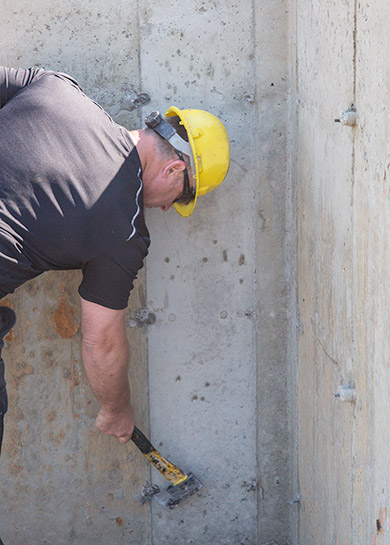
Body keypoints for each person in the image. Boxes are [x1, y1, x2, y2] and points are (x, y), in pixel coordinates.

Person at [0, 66, 230, 458]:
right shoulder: (125, 231)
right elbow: (101, 341)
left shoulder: (56, 90)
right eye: (181, 197)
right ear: (175, 170)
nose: (168, 207)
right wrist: (116, 409)